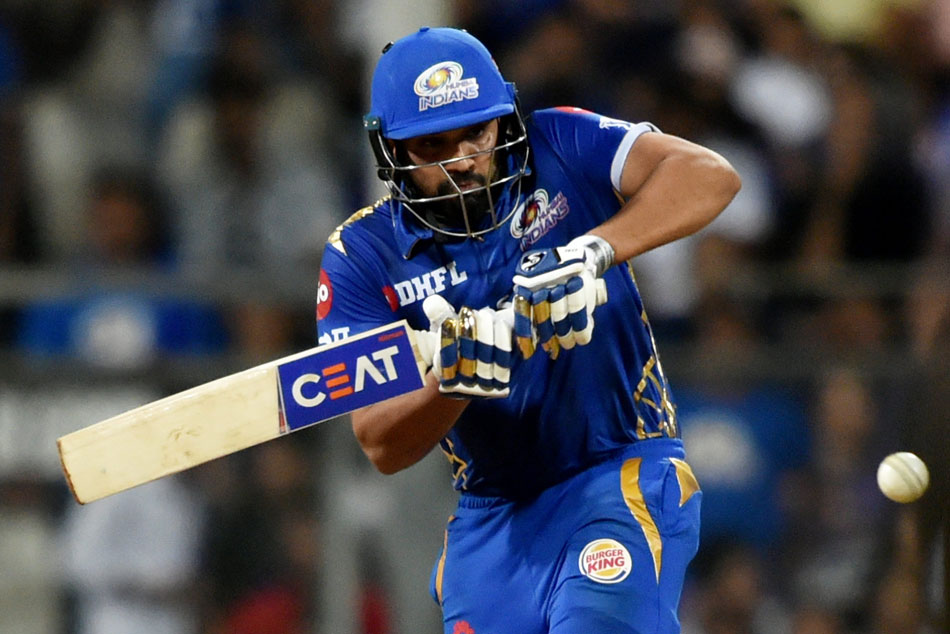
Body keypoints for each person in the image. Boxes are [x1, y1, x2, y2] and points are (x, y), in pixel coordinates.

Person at [317, 27, 740, 634]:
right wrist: (454, 383)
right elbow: (380, 443)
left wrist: (590, 251)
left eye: (476, 133)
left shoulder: (559, 143)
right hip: (494, 518)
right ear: (392, 151)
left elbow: (710, 175)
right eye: (433, 145)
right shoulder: (361, 255)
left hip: (617, 470)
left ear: (503, 119)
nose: (463, 161)